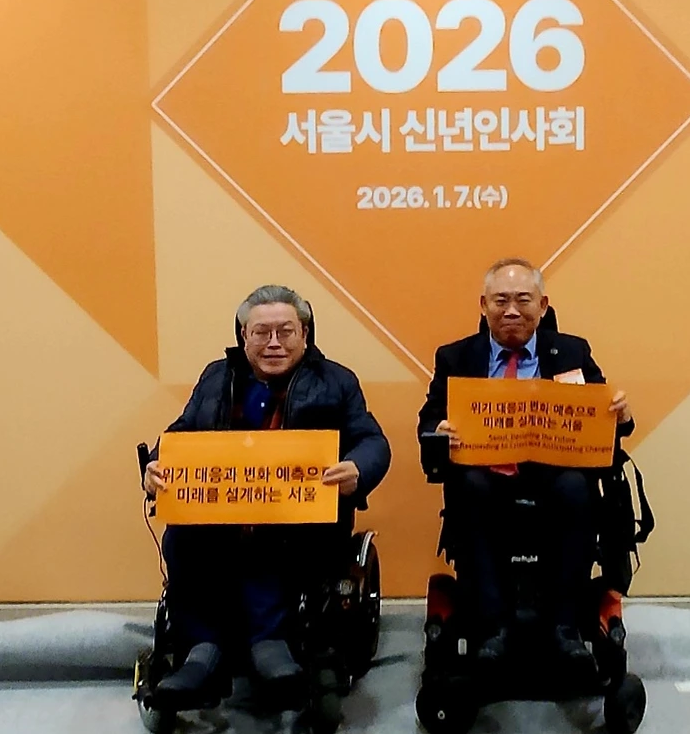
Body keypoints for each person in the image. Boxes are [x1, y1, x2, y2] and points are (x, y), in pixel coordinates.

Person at [142, 284, 391, 707]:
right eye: (261, 332)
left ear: (305, 334)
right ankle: (203, 650)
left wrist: (357, 468)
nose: (273, 342)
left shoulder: (336, 381)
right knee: (181, 539)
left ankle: (269, 643)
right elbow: (182, 433)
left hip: (298, 519)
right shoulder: (216, 378)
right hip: (221, 516)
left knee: (272, 540)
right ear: (244, 336)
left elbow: (372, 441)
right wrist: (156, 464)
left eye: (285, 331)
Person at [417, 257, 634, 676]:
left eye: (523, 300)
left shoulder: (572, 352)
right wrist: (439, 430)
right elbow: (428, 422)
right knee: (471, 487)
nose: (512, 311)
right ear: (484, 305)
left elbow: (606, 422)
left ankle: (565, 628)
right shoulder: (457, 357)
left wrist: (621, 416)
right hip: (486, 475)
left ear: (543, 305)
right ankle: (493, 627)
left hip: (555, 474)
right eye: (501, 301)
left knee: (576, 488)